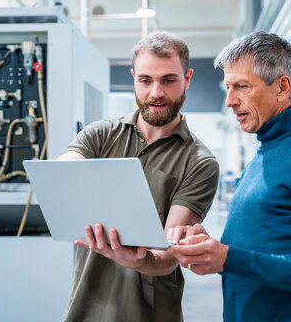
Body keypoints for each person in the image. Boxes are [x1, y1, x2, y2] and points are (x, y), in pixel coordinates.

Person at [168, 31, 291, 322]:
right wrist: (210, 246)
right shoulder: (265, 152)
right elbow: (264, 244)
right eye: (228, 87)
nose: (230, 100)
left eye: (242, 86)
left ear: (282, 87)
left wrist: (230, 258)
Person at [58, 30, 220, 322]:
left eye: (168, 80)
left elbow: (170, 256)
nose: (156, 92)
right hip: (86, 306)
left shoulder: (200, 162)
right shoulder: (100, 135)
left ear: (188, 78)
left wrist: (141, 259)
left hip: (150, 312)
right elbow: (63, 176)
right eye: (145, 80)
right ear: (134, 77)